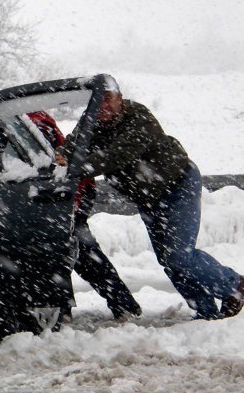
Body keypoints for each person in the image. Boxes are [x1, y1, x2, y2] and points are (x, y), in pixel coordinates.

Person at [58, 79, 244, 319]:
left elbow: (115, 157)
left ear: (120, 98)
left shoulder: (139, 117)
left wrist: (74, 168)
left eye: (108, 98)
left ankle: (234, 285)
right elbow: (74, 143)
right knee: (169, 261)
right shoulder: (90, 121)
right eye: (98, 100)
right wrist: (61, 155)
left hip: (178, 185)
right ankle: (206, 313)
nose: (103, 105)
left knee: (178, 256)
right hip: (148, 198)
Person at [27, 111, 141, 320]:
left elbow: (48, 158)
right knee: (67, 249)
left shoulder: (35, 123)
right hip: (61, 193)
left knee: (78, 249)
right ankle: (115, 304)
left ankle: (122, 305)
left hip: (70, 193)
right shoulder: (22, 119)